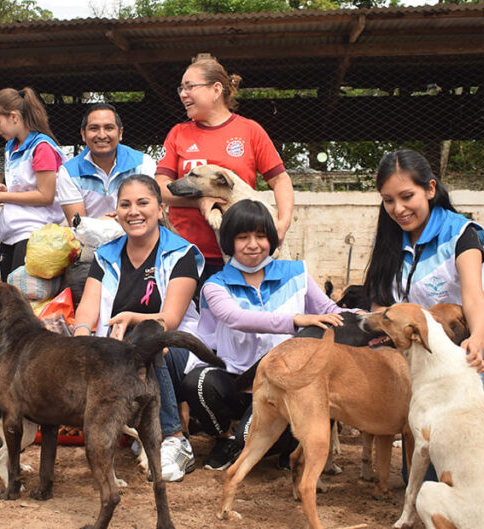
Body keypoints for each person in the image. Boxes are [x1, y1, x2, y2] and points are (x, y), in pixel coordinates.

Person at [182, 200, 347, 472]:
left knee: (250, 440)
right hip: (235, 381)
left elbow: (331, 311)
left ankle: (276, 444)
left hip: (283, 385)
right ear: (228, 242)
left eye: (261, 236)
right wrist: (295, 320)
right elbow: (236, 317)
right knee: (198, 383)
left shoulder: (297, 274)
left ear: (271, 238)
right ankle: (224, 438)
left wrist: (371, 317)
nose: (253, 244)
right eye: (242, 237)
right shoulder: (215, 285)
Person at [71, 174, 202, 482]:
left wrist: (131, 317)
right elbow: (88, 306)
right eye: (125, 204)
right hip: (119, 346)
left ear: (160, 209)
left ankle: (174, 440)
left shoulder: (180, 253)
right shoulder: (105, 254)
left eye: (143, 203)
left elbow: (170, 319)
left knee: (149, 340)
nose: (134, 211)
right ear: (116, 212)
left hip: (175, 347)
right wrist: (80, 335)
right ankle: (140, 432)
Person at [363, 149, 484, 398]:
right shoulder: (387, 240)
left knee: (459, 408)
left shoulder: (460, 234)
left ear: (430, 189)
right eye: (388, 200)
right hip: (416, 349)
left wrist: (477, 340)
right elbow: (380, 305)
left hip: (469, 343)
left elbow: (474, 299)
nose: (398, 209)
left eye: (407, 196)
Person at [155, 57, 294, 284]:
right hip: (186, 254)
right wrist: (201, 201)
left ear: (216, 89)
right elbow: (159, 189)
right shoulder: (178, 133)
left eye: (190, 87)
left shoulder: (250, 130)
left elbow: (280, 180)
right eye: (181, 88)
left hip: (242, 257)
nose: (182, 94)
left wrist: (282, 224)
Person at [0, 87, 86, 278]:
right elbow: (29, 187)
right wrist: (5, 192)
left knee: (21, 295)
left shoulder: (41, 148)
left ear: (14, 116)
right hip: (12, 232)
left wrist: (2, 196)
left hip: (32, 234)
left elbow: (46, 195)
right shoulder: (12, 146)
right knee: (9, 289)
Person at [58, 103, 157, 218]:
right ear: (83, 134)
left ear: (120, 133)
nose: (101, 135)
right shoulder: (69, 172)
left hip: (136, 233)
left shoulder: (143, 163)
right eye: (94, 128)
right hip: (91, 236)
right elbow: (79, 227)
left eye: (109, 128)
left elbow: (150, 214)